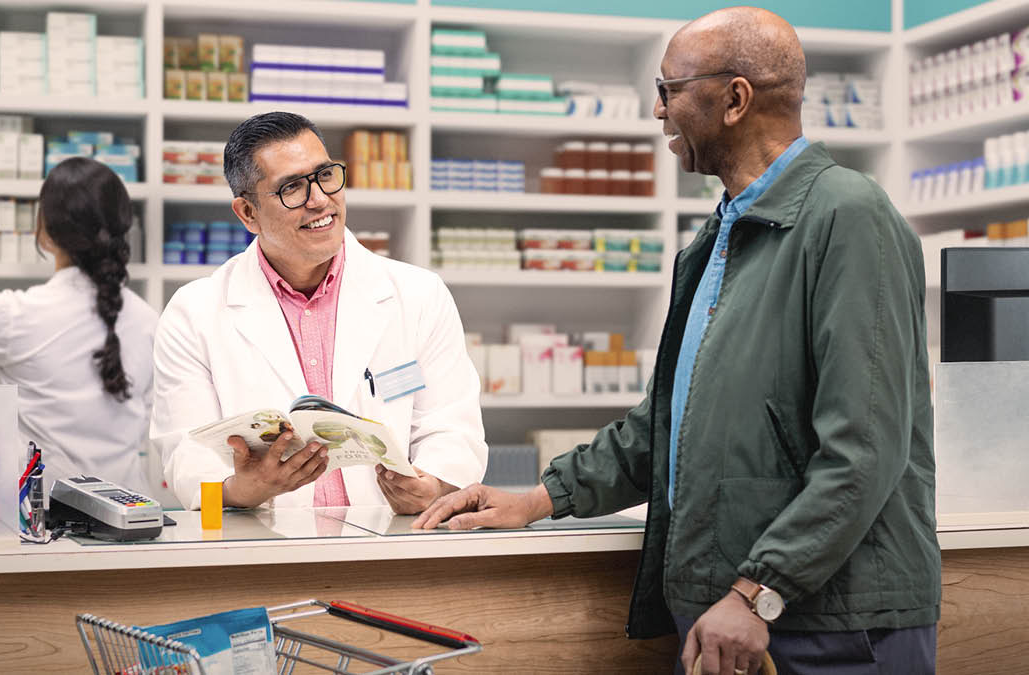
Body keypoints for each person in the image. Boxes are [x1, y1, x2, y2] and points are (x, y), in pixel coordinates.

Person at [414, 7, 938, 675]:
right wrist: (537, 498)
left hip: (831, 626)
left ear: (734, 99)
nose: (658, 112)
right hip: (731, 622)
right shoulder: (719, 237)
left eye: (669, 90)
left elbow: (865, 449)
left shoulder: (848, 217)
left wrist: (760, 591)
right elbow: (667, 426)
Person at [151, 111, 486, 513]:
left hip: (393, 546)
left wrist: (432, 485)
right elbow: (185, 455)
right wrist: (244, 490)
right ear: (248, 213)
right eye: (292, 188)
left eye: (325, 175)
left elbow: (453, 426)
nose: (319, 200)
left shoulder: (419, 295)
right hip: (260, 554)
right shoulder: (194, 314)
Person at [0, 152, 158, 498]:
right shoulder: (149, 321)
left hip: (46, 522)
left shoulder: (18, 316)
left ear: (44, 231)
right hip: (129, 517)